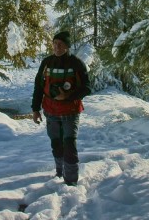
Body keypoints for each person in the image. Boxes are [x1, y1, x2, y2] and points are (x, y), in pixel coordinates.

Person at [32, 31, 91, 186]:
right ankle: (59, 172)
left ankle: (71, 182)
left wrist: (67, 96)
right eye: (55, 43)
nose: (57, 46)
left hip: (70, 112)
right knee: (56, 143)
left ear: (67, 46)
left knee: (69, 145)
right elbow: (38, 87)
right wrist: (35, 109)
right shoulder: (47, 63)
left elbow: (87, 87)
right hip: (50, 111)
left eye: (60, 44)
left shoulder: (76, 63)